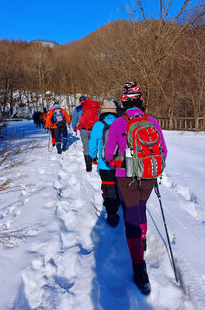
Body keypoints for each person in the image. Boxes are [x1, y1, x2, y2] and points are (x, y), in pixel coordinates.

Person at [105, 81, 168, 294]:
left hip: (126, 176)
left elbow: (107, 155)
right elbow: (163, 152)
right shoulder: (152, 122)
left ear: (123, 101)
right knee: (141, 209)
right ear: (140, 100)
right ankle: (142, 241)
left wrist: (118, 161)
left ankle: (139, 268)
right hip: (149, 176)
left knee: (131, 217)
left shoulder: (118, 123)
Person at [88, 100, 120, 227]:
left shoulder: (98, 125)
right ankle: (119, 203)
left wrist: (92, 157)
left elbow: (92, 144)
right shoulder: (121, 123)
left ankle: (112, 214)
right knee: (119, 185)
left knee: (109, 187)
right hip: (120, 162)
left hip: (104, 163)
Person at [72, 96, 94, 172]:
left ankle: (88, 167)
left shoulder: (77, 109)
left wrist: (74, 128)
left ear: (79, 102)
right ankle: (94, 160)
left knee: (86, 147)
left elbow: (74, 120)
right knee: (93, 145)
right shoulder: (92, 107)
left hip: (83, 130)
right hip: (93, 129)